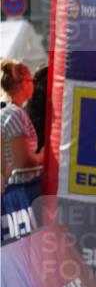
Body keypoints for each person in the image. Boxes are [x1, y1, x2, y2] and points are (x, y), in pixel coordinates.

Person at [1, 60, 44, 190]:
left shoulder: (7, 112)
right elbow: (24, 163)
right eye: (31, 80)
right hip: (22, 191)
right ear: (24, 84)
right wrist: (45, 155)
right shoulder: (15, 114)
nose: (34, 85)